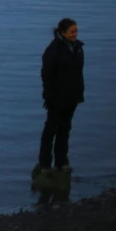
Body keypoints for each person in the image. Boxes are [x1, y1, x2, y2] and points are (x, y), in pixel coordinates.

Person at [34, 18, 84, 178]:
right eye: (72, 32)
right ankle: (45, 164)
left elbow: (78, 73)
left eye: (76, 31)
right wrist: (48, 95)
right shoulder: (54, 50)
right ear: (63, 32)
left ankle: (62, 162)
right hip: (56, 97)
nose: (75, 34)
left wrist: (79, 93)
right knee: (51, 129)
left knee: (65, 128)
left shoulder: (78, 48)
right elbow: (46, 75)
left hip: (72, 96)